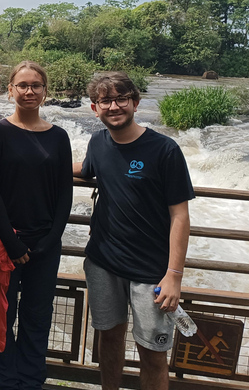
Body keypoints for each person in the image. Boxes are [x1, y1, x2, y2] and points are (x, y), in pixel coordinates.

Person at [73, 71, 194, 390]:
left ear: (135, 103)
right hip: (103, 263)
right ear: (94, 108)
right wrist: (36, 159)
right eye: (105, 101)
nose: (114, 106)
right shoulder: (98, 141)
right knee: (108, 340)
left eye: (121, 99)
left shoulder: (164, 150)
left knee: (152, 353)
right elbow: (85, 170)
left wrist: (173, 275)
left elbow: (180, 216)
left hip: (151, 272)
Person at [0, 61, 73, 390]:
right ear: (10, 91)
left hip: (46, 244)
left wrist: (51, 239)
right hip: (8, 241)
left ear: (45, 92)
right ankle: (4, 381)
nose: (29, 90)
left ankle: (31, 381)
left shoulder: (59, 137)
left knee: (38, 315)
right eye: (22, 85)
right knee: (2, 315)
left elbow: (65, 192)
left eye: (36, 85)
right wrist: (11, 242)